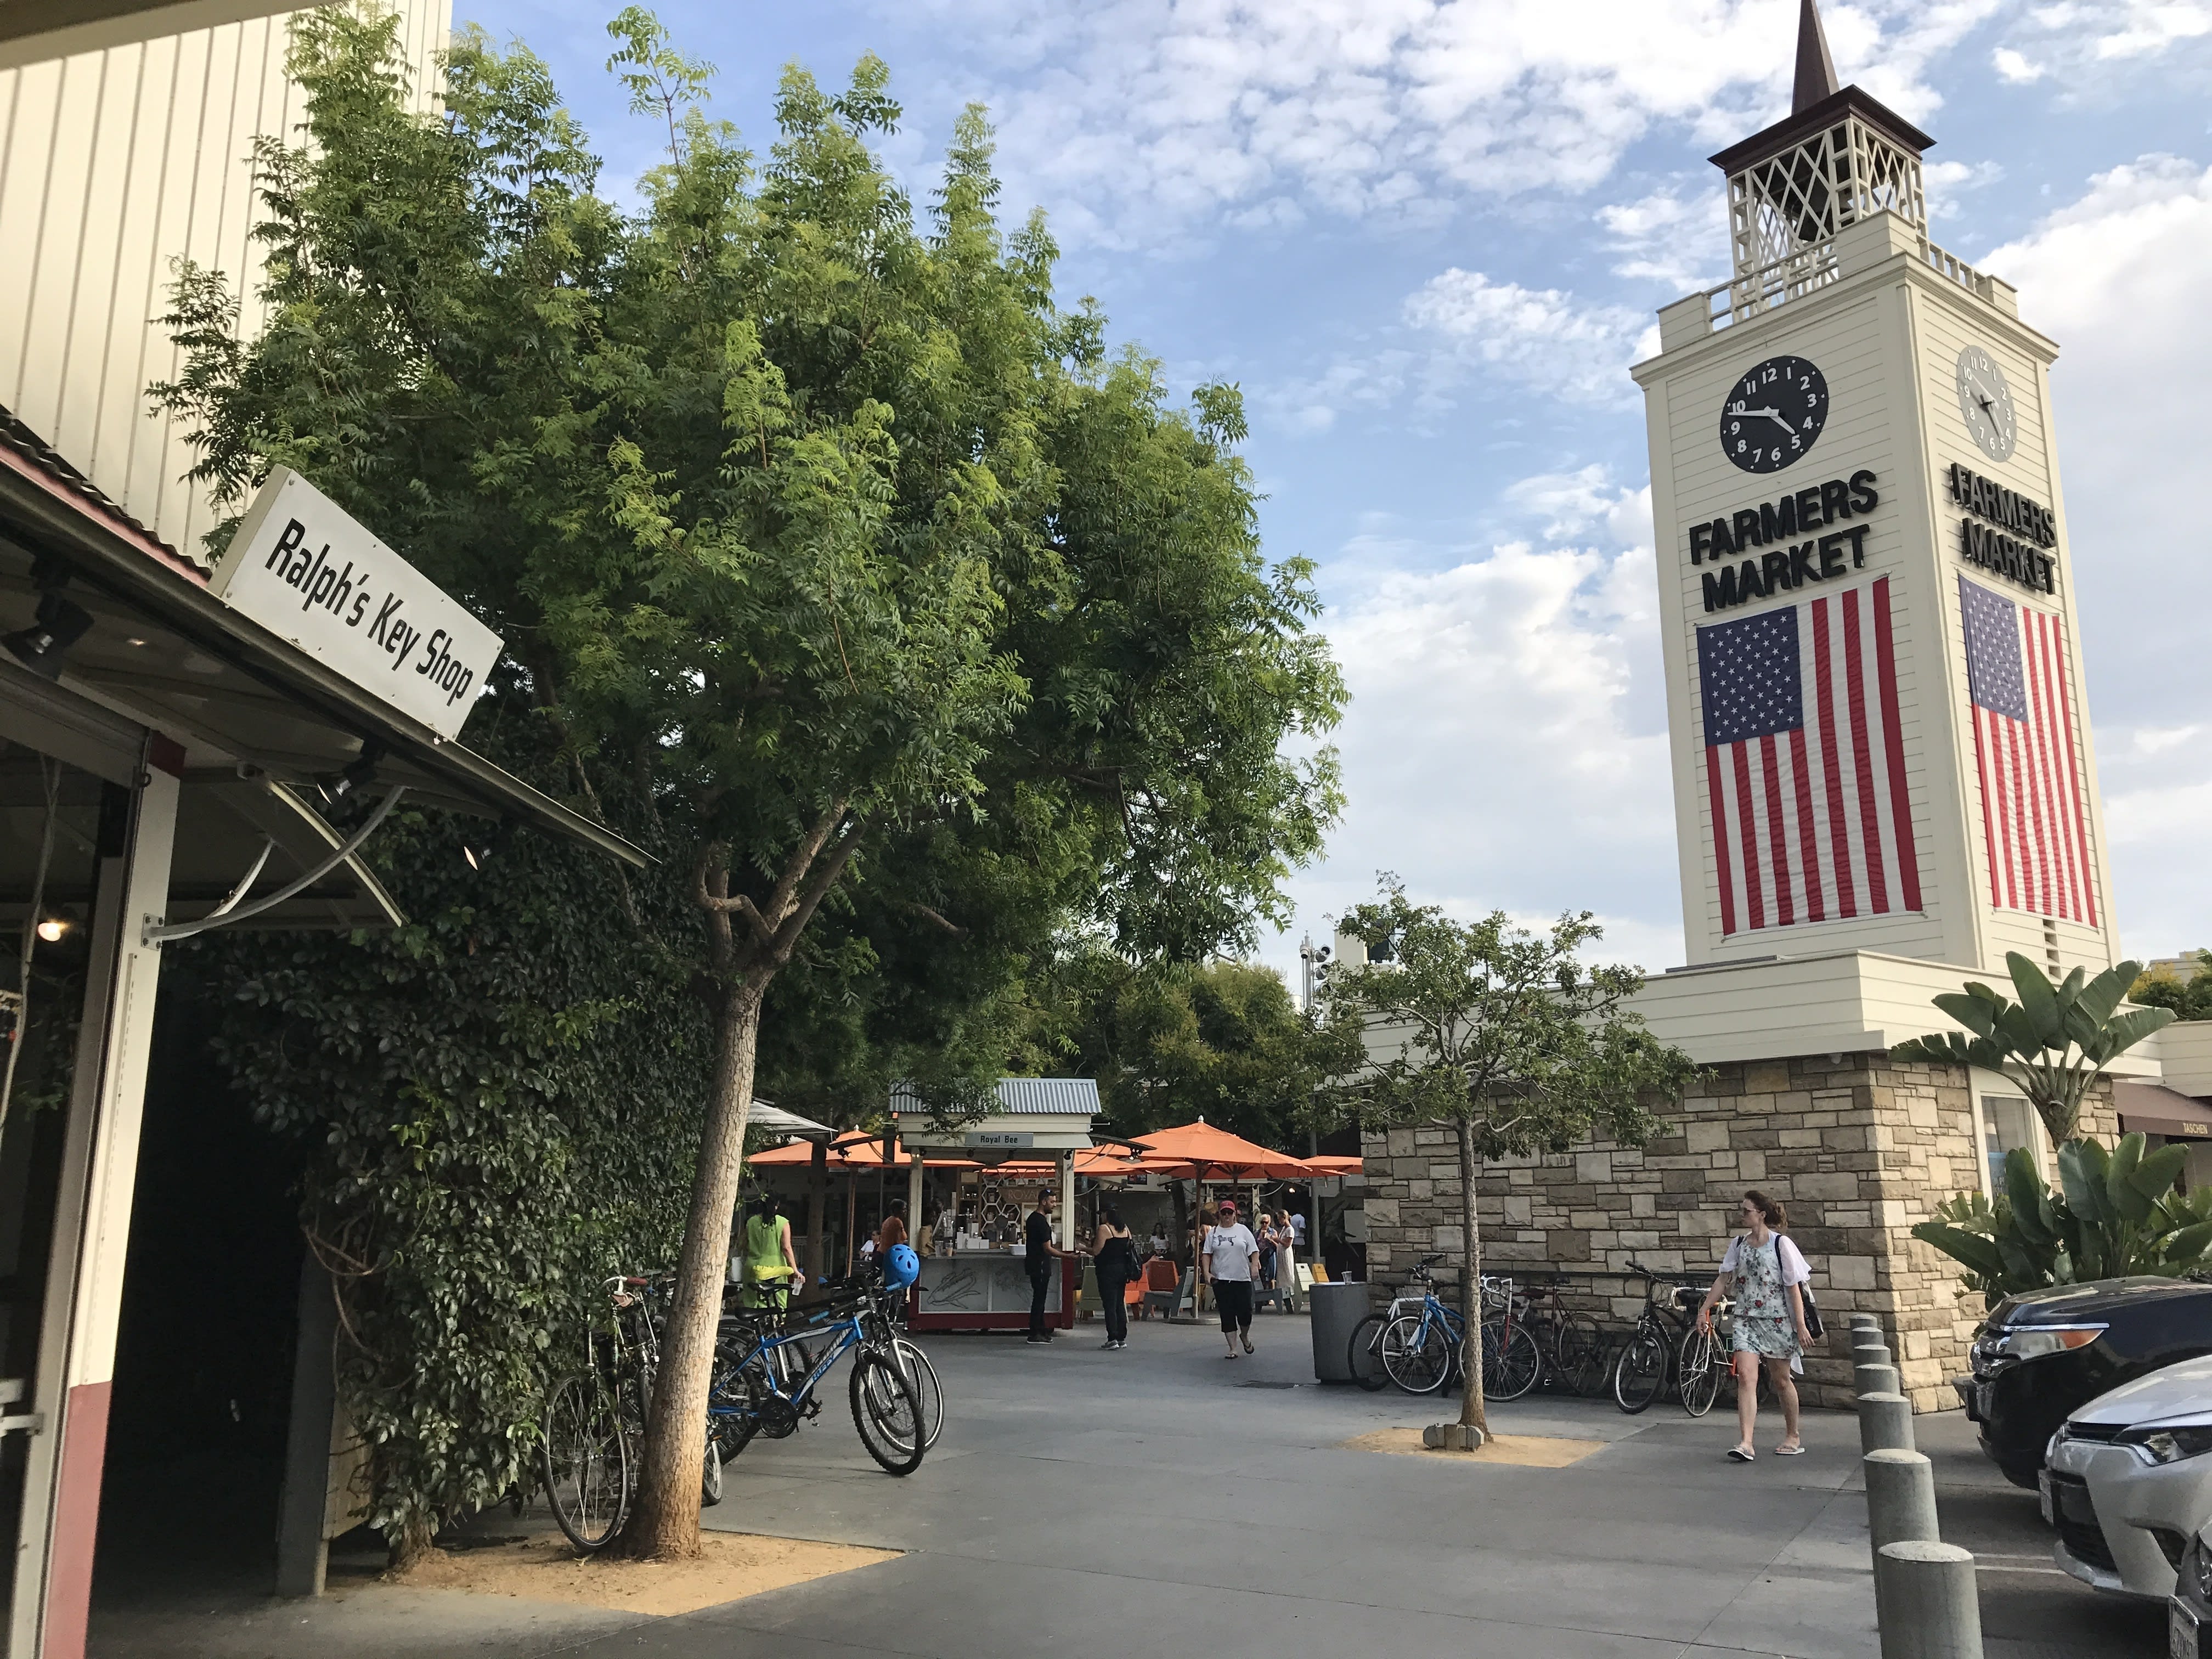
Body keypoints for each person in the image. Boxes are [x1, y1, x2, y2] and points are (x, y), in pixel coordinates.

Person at [1695, 1190, 1813, 1462]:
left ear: (1761, 1215)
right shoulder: (1738, 1244)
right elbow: (1723, 1281)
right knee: (1747, 1378)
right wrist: (1705, 1309)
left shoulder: (1781, 1244)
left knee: (1782, 1380)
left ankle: (1793, 1435)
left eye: (1746, 1211)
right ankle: (1746, 1443)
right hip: (1746, 1320)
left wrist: (1800, 1325)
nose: (1742, 1215)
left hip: (1778, 1321)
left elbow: (1793, 1286)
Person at [1200, 1198, 1261, 1357]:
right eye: (1224, 1212)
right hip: (1222, 1278)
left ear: (1235, 1214)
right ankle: (1233, 1348)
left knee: (1245, 1312)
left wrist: (1254, 1265)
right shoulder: (1214, 1233)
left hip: (1242, 1278)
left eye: (1230, 1212)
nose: (1227, 1215)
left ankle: (1245, 1335)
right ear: (1220, 1214)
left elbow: (1254, 1250)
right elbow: (1206, 1254)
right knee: (1227, 1314)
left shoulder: (1243, 1230)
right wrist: (1207, 1273)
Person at [1024, 1189, 1075, 1343]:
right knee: (1040, 1299)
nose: (1054, 1205)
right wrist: (1067, 1256)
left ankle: (1041, 1330)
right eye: (1052, 1202)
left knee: (1039, 1298)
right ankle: (1035, 1333)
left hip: (1033, 1262)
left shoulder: (1032, 1219)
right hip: (1041, 1263)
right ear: (1043, 1202)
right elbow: (1048, 1248)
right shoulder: (1042, 1223)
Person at [1086, 1205, 1141, 1350]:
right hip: (1123, 1270)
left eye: (1102, 1214)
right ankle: (1122, 1337)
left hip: (1107, 1271)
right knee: (1119, 1304)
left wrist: (1083, 1247)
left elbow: (1097, 1251)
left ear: (1107, 1214)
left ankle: (1112, 1338)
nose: (1101, 1217)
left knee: (1109, 1304)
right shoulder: (1125, 1229)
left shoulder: (1104, 1229)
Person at [737, 1194, 800, 1314]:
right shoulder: (783, 1222)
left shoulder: (751, 1221)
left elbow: (742, 1244)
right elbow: (786, 1248)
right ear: (777, 1206)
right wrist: (795, 1270)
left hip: (752, 1267)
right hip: (775, 1267)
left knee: (752, 1302)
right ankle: (774, 1328)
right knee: (776, 1302)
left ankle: (753, 1328)